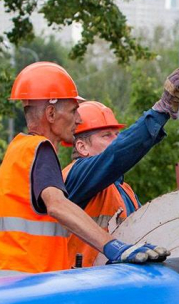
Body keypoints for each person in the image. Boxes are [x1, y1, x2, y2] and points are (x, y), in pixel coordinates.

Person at [0, 62, 175, 279]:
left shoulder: (20, 151)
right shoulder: (39, 150)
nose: (78, 119)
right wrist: (114, 247)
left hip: (14, 285)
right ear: (51, 113)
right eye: (73, 111)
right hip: (24, 287)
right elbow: (57, 204)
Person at [60, 100, 144, 266]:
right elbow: (116, 156)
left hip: (112, 281)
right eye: (106, 135)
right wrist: (158, 115)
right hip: (80, 283)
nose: (116, 141)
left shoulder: (123, 189)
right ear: (82, 147)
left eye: (116, 134)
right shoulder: (77, 176)